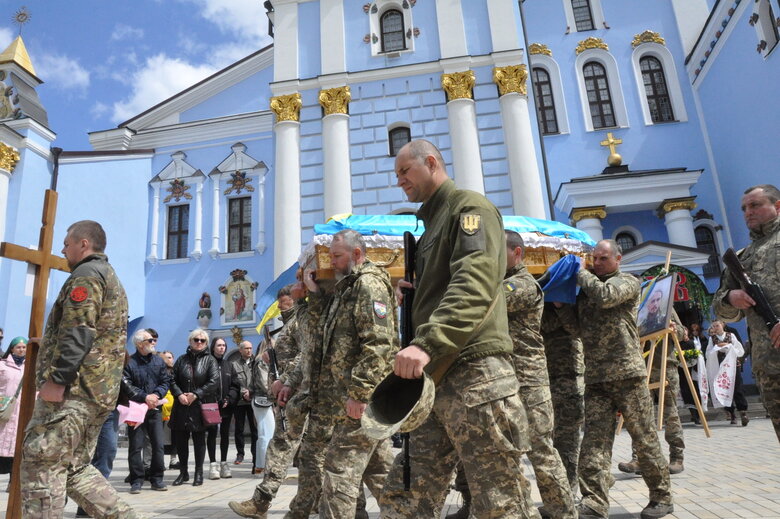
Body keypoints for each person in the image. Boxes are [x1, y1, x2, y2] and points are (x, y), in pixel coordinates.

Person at [379, 140, 536, 518]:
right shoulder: (432, 223)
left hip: (475, 374)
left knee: (499, 503)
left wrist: (427, 342)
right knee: (404, 500)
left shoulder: (468, 209)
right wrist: (416, 294)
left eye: (405, 171)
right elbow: (448, 284)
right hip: (435, 380)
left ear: (431, 163)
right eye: (397, 174)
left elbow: (474, 283)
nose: (400, 181)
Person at [20, 220, 139, 518]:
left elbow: (80, 331)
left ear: (83, 244)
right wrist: (48, 341)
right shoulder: (109, 276)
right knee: (73, 469)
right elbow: (96, 331)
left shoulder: (85, 275)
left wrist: (57, 380)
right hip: (96, 394)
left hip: (72, 393)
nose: (63, 248)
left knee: (42, 464)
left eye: (67, 243)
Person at [555, 239, 673, 519]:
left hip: (627, 375)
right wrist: (561, 305)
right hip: (596, 379)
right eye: (594, 258)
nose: (597, 263)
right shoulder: (586, 292)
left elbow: (606, 296)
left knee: (644, 439)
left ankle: (661, 497)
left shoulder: (627, 282)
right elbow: (575, 328)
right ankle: (595, 502)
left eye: (603, 259)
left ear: (618, 259)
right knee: (593, 444)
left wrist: (579, 271)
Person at [297, 229, 397, 518]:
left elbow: (378, 344)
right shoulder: (346, 288)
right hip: (346, 401)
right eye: (330, 255)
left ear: (356, 254)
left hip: (359, 401)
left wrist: (360, 393)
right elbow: (323, 336)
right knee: (380, 472)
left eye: (337, 256)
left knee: (338, 471)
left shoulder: (368, 285)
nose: (333, 262)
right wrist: (314, 294)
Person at [714, 184, 780, 440]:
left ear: (777, 206)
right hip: (768, 366)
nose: (748, 212)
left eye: (755, 205)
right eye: (744, 208)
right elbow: (721, 309)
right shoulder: (742, 258)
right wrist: (731, 297)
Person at [619, 313, 687, 475]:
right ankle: (640, 459)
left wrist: (673, 328)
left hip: (665, 365)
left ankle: (677, 457)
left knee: (670, 414)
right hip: (640, 368)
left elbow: (682, 332)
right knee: (640, 415)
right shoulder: (635, 307)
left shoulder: (665, 305)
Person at [540, 304, 584, 495]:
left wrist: (559, 306)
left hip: (569, 376)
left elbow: (574, 327)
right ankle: (563, 492)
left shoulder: (571, 301)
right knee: (555, 439)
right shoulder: (542, 300)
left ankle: (569, 491)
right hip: (545, 376)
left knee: (568, 438)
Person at [121, 328, 171, 493]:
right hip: (136, 409)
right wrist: (144, 397)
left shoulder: (158, 362)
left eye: (153, 340)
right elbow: (127, 385)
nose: (153, 343)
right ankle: (136, 480)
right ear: (139, 344)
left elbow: (165, 381)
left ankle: (157, 479)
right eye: (150, 341)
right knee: (135, 446)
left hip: (155, 409)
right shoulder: (129, 362)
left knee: (158, 445)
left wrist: (156, 395)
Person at [169, 328, 219, 486]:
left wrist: (196, 394)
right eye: (195, 340)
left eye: (202, 340)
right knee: (181, 440)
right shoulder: (182, 360)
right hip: (182, 406)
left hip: (199, 405)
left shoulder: (210, 360)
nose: (199, 342)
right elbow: (171, 379)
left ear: (206, 343)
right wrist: (179, 394)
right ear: (190, 342)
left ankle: (199, 472)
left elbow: (213, 381)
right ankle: (183, 472)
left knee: (199, 440)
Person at [705, 320, 748, 425]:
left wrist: (728, 346)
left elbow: (740, 350)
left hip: (733, 366)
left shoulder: (731, 335)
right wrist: (717, 348)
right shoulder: (712, 339)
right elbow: (708, 353)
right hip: (720, 367)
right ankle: (732, 413)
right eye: (714, 326)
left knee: (737, 387)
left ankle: (743, 413)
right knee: (724, 388)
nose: (716, 327)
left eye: (717, 325)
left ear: (722, 325)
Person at [0, 336, 27, 491]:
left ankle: (13, 483)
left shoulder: (29, 367)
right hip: (4, 411)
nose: (21, 350)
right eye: (18, 347)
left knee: (16, 450)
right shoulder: (2, 365)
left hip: (20, 414)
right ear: (12, 348)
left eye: (24, 347)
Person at [206, 336, 234, 479]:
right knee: (211, 433)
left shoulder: (229, 365)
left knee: (224, 434)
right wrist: (214, 398)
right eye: (219, 345)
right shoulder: (207, 363)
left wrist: (229, 398)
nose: (222, 347)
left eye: (223, 345)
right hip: (211, 405)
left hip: (226, 406)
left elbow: (235, 385)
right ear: (213, 347)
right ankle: (213, 464)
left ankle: (224, 463)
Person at [231, 340, 259, 469]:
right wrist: (243, 392)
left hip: (254, 400)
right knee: (239, 429)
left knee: (255, 429)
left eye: (250, 348)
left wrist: (251, 392)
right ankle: (240, 453)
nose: (249, 350)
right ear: (240, 350)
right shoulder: (234, 365)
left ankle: (255, 454)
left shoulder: (257, 363)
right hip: (240, 401)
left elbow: (260, 380)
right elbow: (234, 381)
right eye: (246, 348)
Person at [158, 348, 178, 469]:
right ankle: (159, 461)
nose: (168, 360)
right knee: (159, 436)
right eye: (165, 357)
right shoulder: (158, 372)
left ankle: (174, 460)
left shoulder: (176, 372)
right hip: (161, 408)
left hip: (173, 409)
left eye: (170, 357)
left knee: (174, 436)